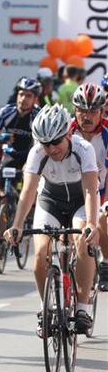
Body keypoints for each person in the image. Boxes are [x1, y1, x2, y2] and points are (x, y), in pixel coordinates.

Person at [5, 104, 101, 336]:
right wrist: (17, 225)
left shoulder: (84, 149)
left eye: (56, 142)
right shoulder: (37, 153)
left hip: (80, 200)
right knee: (40, 253)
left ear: (68, 133)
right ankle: (46, 308)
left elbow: (90, 190)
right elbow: (28, 192)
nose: (51, 148)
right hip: (50, 200)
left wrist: (91, 223)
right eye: (45, 143)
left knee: (83, 241)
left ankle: (82, 307)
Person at [69, 83, 108, 290]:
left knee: (101, 220)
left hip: (100, 190)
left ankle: (105, 263)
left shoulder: (107, 134)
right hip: (70, 190)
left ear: (102, 112)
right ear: (74, 110)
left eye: (93, 112)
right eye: (82, 110)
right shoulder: (66, 131)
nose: (87, 116)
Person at [0, 77, 41, 171]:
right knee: (0, 175)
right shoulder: (6, 112)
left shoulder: (39, 116)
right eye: (21, 94)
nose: (23, 99)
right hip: (10, 155)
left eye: (28, 96)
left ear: (35, 99)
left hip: (31, 156)